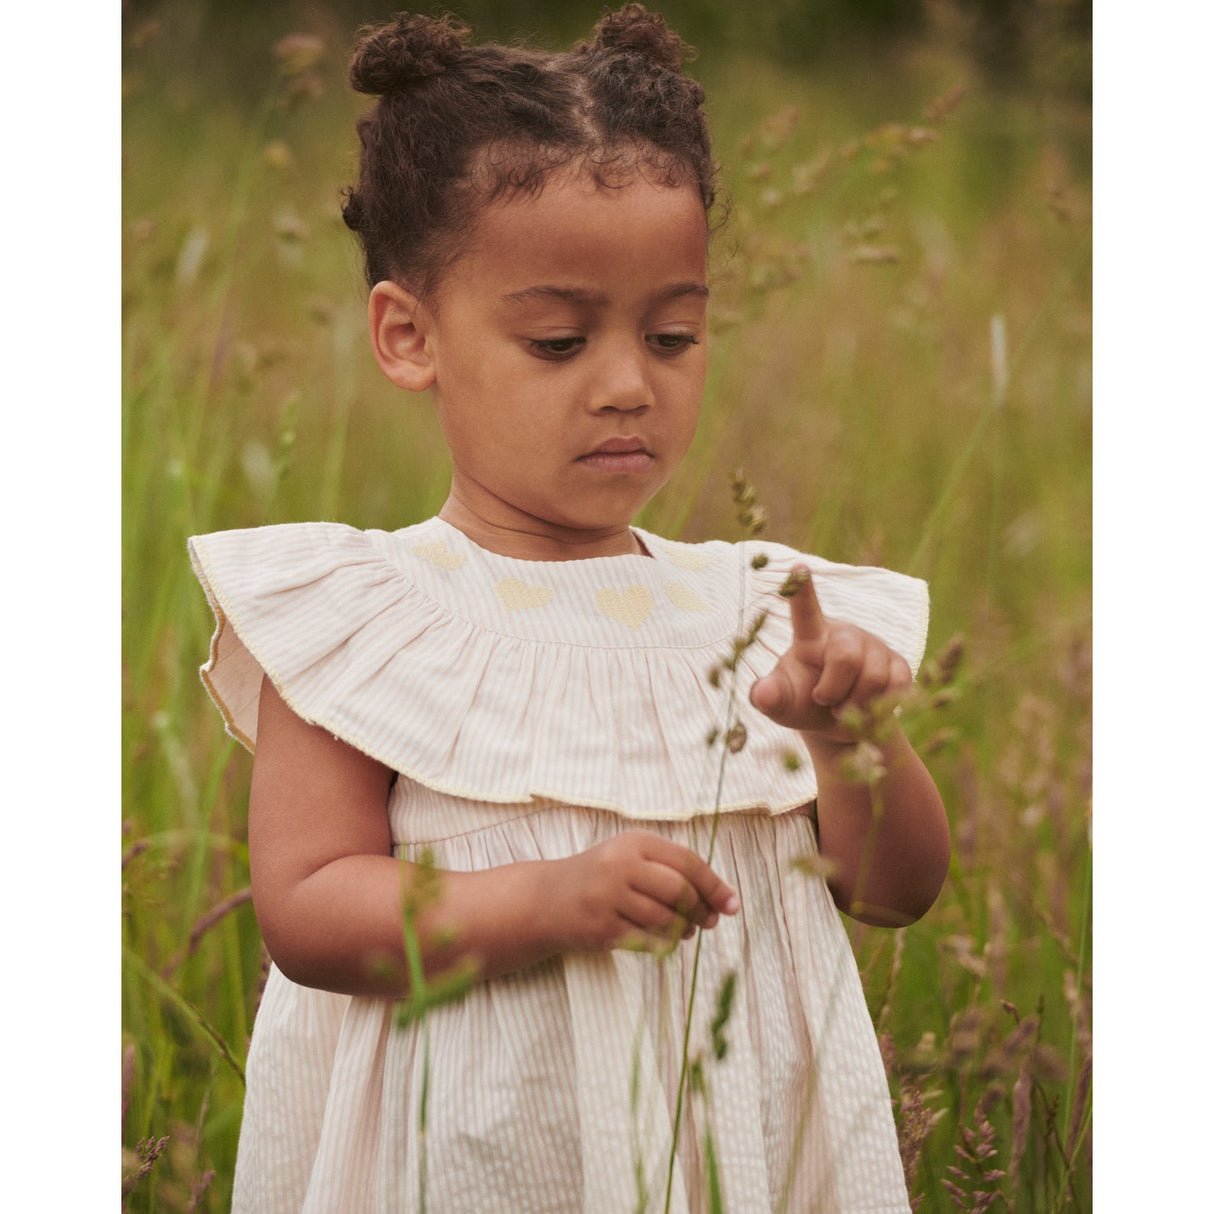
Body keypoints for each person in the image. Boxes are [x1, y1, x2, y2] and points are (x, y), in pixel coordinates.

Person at [188, 6, 951, 1211]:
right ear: (408, 336)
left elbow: (894, 891)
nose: (626, 383)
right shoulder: (371, 620)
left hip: (733, 1159)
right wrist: (544, 899)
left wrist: (851, 739)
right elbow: (309, 908)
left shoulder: (756, 612)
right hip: (472, 1163)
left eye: (672, 334)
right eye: (556, 340)